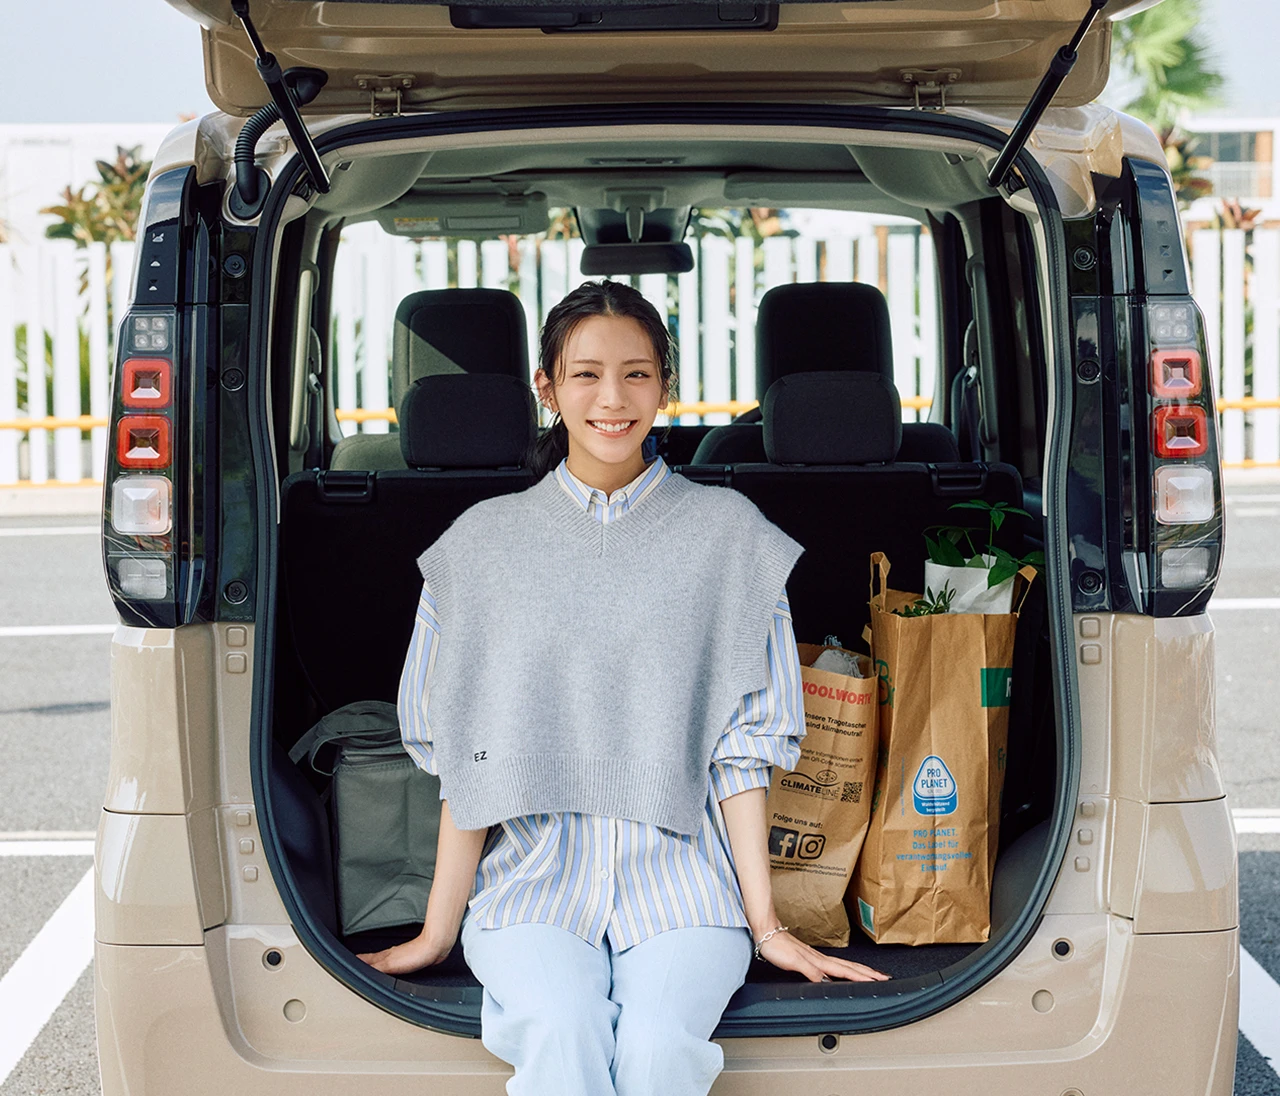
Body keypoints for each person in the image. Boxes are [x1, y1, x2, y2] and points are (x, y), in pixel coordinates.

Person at [358, 280, 888, 1095]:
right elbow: (468, 761)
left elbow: (742, 758)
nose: (613, 399)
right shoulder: (478, 548)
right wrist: (437, 933)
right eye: (586, 375)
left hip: (685, 886)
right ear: (548, 388)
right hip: (531, 885)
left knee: (657, 1049)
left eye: (637, 374)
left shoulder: (732, 540)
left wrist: (767, 926)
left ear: (666, 386)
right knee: (562, 1034)